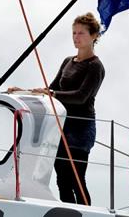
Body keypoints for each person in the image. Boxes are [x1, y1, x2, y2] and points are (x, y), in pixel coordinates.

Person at [8, 13, 105, 204]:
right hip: (62, 126)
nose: (76, 37)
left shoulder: (95, 66)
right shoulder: (68, 61)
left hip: (80, 128)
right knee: (62, 179)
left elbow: (81, 97)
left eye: (81, 33)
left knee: (77, 178)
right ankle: (70, 215)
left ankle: (86, 216)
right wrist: (26, 91)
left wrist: (52, 94)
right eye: (74, 33)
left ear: (94, 36)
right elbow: (52, 89)